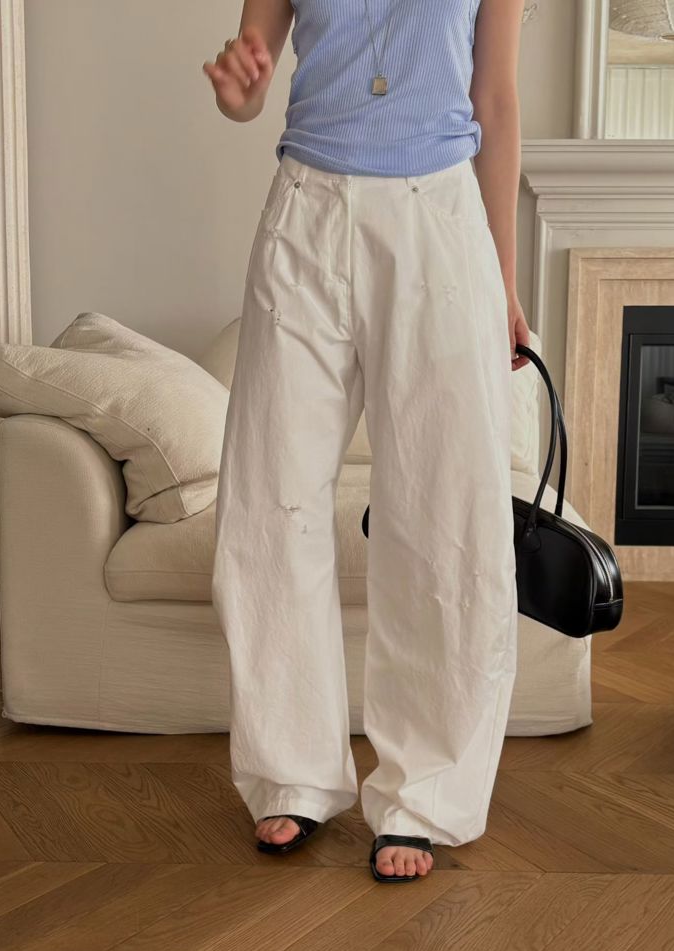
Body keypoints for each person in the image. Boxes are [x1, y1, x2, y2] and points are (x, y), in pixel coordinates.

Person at [204, 0, 530, 884]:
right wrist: (238, 91)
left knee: (443, 512)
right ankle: (292, 773)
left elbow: (496, 101)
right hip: (305, 209)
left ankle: (424, 793)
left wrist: (503, 280)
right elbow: (249, 80)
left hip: (438, 221)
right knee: (270, 500)